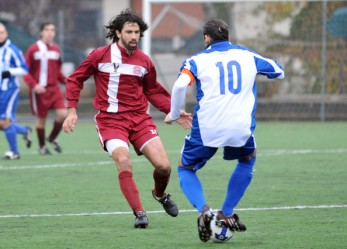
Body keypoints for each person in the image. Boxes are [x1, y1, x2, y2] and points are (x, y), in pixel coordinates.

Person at [62, 9, 192, 229]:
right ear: (118, 33)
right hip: (111, 122)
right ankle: (139, 213)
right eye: (129, 31)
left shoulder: (144, 61)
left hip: (140, 119)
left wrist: (174, 109)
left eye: (137, 32)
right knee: (123, 161)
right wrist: (72, 110)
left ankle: (159, 195)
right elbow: (75, 80)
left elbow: (153, 90)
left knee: (164, 167)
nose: (134, 36)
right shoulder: (99, 55)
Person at [164, 18, 285, 242]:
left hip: (207, 127)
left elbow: (180, 85)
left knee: (185, 168)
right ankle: (227, 212)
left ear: (206, 39)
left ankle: (204, 210)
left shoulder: (196, 60)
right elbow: (279, 71)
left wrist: (173, 114)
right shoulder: (247, 55)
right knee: (247, 161)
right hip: (240, 126)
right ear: (228, 37)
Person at [23, 22, 67, 155]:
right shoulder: (33, 49)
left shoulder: (56, 49)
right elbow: (25, 70)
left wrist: (68, 82)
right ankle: (42, 147)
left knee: (63, 114)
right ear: (41, 32)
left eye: (52, 30)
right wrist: (34, 85)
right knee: (41, 121)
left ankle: (52, 137)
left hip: (54, 89)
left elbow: (57, 71)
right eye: (47, 29)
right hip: (40, 91)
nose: (50, 32)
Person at [0, 22, 32, 160]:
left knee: (3, 122)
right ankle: (25, 131)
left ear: (6, 33)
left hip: (10, 89)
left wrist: (9, 72)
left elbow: (24, 69)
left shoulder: (13, 50)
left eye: (1, 32)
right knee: (1, 123)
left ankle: (15, 152)